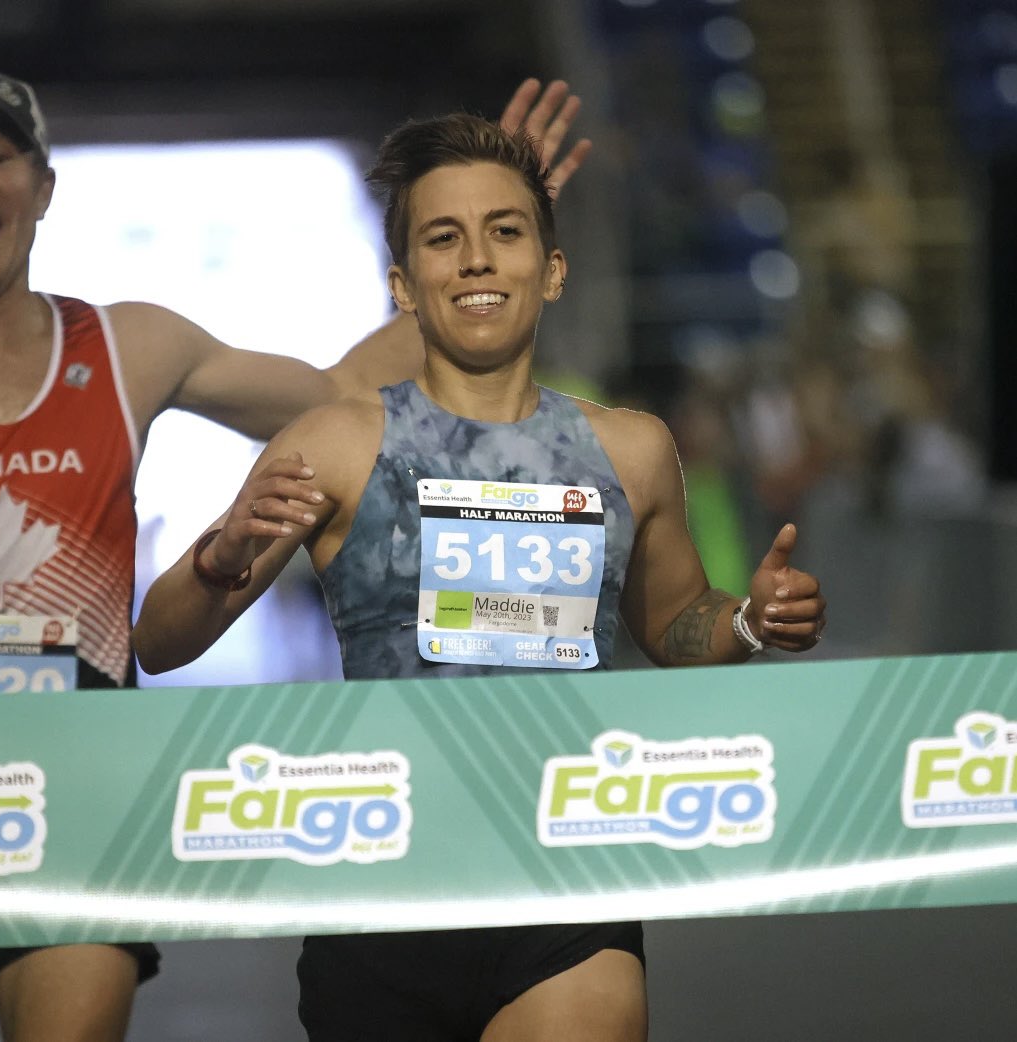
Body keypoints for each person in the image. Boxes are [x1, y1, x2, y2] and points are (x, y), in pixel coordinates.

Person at [133, 112, 827, 1040]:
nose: (476, 261)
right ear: (402, 284)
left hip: (566, 878)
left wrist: (748, 622)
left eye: (505, 232)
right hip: (382, 886)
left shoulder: (631, 449)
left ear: (551, 268)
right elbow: (160, 642)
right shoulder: (335, 444)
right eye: (443, 239)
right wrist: (220, 560)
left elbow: (677, 625)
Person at [0, 60, 589, 1042]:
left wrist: (474, 254)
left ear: (43, 189)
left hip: (70, 792)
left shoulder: (130, 349)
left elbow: (335, 392)